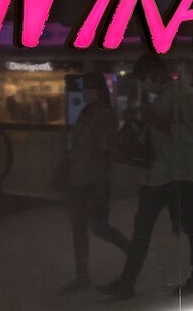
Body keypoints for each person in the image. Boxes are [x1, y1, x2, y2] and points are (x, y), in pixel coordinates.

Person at [99, 54, 193, 298]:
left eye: (145, 78)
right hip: (158, 175)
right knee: (143, 229)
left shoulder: (186, 96)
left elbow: (192, 137)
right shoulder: (164, 97)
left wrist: (156, 122)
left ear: (155, 73)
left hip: (179, 176)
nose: (144, 85)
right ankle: (127, 282)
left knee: (189, 229)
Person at [61, 73, 129, 292]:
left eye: (89, 89)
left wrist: (104, 183)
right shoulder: (86, 113)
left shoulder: (104, 116)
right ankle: (82, 275)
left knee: (99, 227)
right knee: (79, 228)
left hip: (94, 180)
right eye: (84, 89)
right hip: (78, 178)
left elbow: (107, 153)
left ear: (98, 91)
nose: (85, 93)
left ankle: (133, 252)